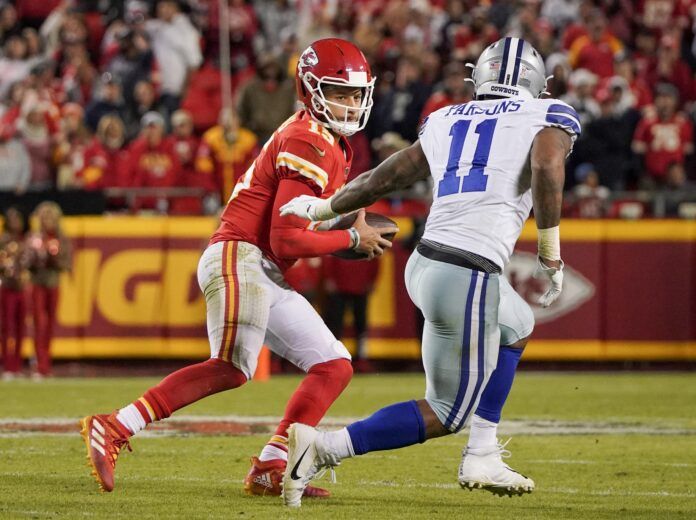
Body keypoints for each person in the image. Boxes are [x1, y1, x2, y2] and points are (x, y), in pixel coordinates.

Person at [80, 38, 396, 498]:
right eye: (338, 92)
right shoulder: (309, 139)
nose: (349, 104)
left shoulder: (324, 140)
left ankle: (272, 463)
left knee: (333, 366)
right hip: (242, 253)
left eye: (355, 94)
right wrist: (349, 237)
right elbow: (284, 236)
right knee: (232, 365)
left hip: (263, 265)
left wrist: (341, 226)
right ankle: (115, 425)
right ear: (310, 90)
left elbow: (293, 228)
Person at [279, 37, 580, 507]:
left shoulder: (446, 117)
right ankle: (321, 449)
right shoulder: (547, 113)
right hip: (469, 267)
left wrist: (323, 206)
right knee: (446, 410)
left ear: (477, 76)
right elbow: (545, 163)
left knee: (516, 325)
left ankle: (483, 451)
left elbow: (389, 174)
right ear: (539, 83)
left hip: (427, 262)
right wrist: (549, 250)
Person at [26, 201, 72, 379]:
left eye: (51, 217)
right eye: (45, 217)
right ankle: (39, 364)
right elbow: (26, 262)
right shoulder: (34, 237)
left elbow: (67, 263)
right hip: (37, 282)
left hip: (53, 282)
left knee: (50, 324)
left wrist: (56, 259)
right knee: (39, 323)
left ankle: (46, 363)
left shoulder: (62, 239)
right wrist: (37, 258)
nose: (48, 220)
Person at [0, 207, 29, 379]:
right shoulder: (3, 242)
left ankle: (17, 365)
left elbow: (29, 265)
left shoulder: (25, 241)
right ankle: (7, 364)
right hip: (7, 287)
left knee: (20, 327)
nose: (15, 223)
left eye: (16, 219)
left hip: (21, 287)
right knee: (6, 327)